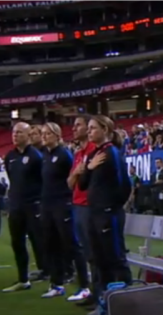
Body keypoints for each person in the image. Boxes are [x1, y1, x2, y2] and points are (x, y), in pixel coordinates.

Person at [77, 115, 132, 315]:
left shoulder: (112, 153)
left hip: (108, 214)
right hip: (94, 213)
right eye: (89, 128)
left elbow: (124, 184)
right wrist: (88, 168)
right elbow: (82, 184)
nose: (89, 131)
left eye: (93, 128)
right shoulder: (93, 154)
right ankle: (105, 302)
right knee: (100, 259)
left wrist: (111, 206)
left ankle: (126, 303)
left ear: (105, 130)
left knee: (115, 258)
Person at [39, 122, 90, 299]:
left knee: (72, 245)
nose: (44, 136)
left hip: (62, 204)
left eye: (47, 133)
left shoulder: (64, 155)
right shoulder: (45, 155)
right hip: (47, 205)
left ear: (57, 135)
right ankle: (57, 284)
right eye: (42, 133)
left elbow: (73, 178)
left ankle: (84, 285)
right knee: (51, 244)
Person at [2, 122, 48, 292]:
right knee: (17, 242)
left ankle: (46, 271)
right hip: (16, 206)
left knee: (38, 240)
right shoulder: (10, 156)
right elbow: (13, 179)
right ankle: (23, 279)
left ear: (28, 135)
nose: (15, 135)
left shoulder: (36, 156)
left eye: (20, 132)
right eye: (14, 132)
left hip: (33, 205)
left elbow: (43, 180)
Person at [66, 115, 95, 304]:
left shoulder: (94, 150)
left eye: (78, 125)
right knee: (85, 251)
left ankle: (100, 294)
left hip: (89, 206)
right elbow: (69, 183)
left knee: (93, 253)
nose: (74, 128)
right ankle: (93, 292)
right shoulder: (78, 154)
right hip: (77, 205)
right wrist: (76, 173)